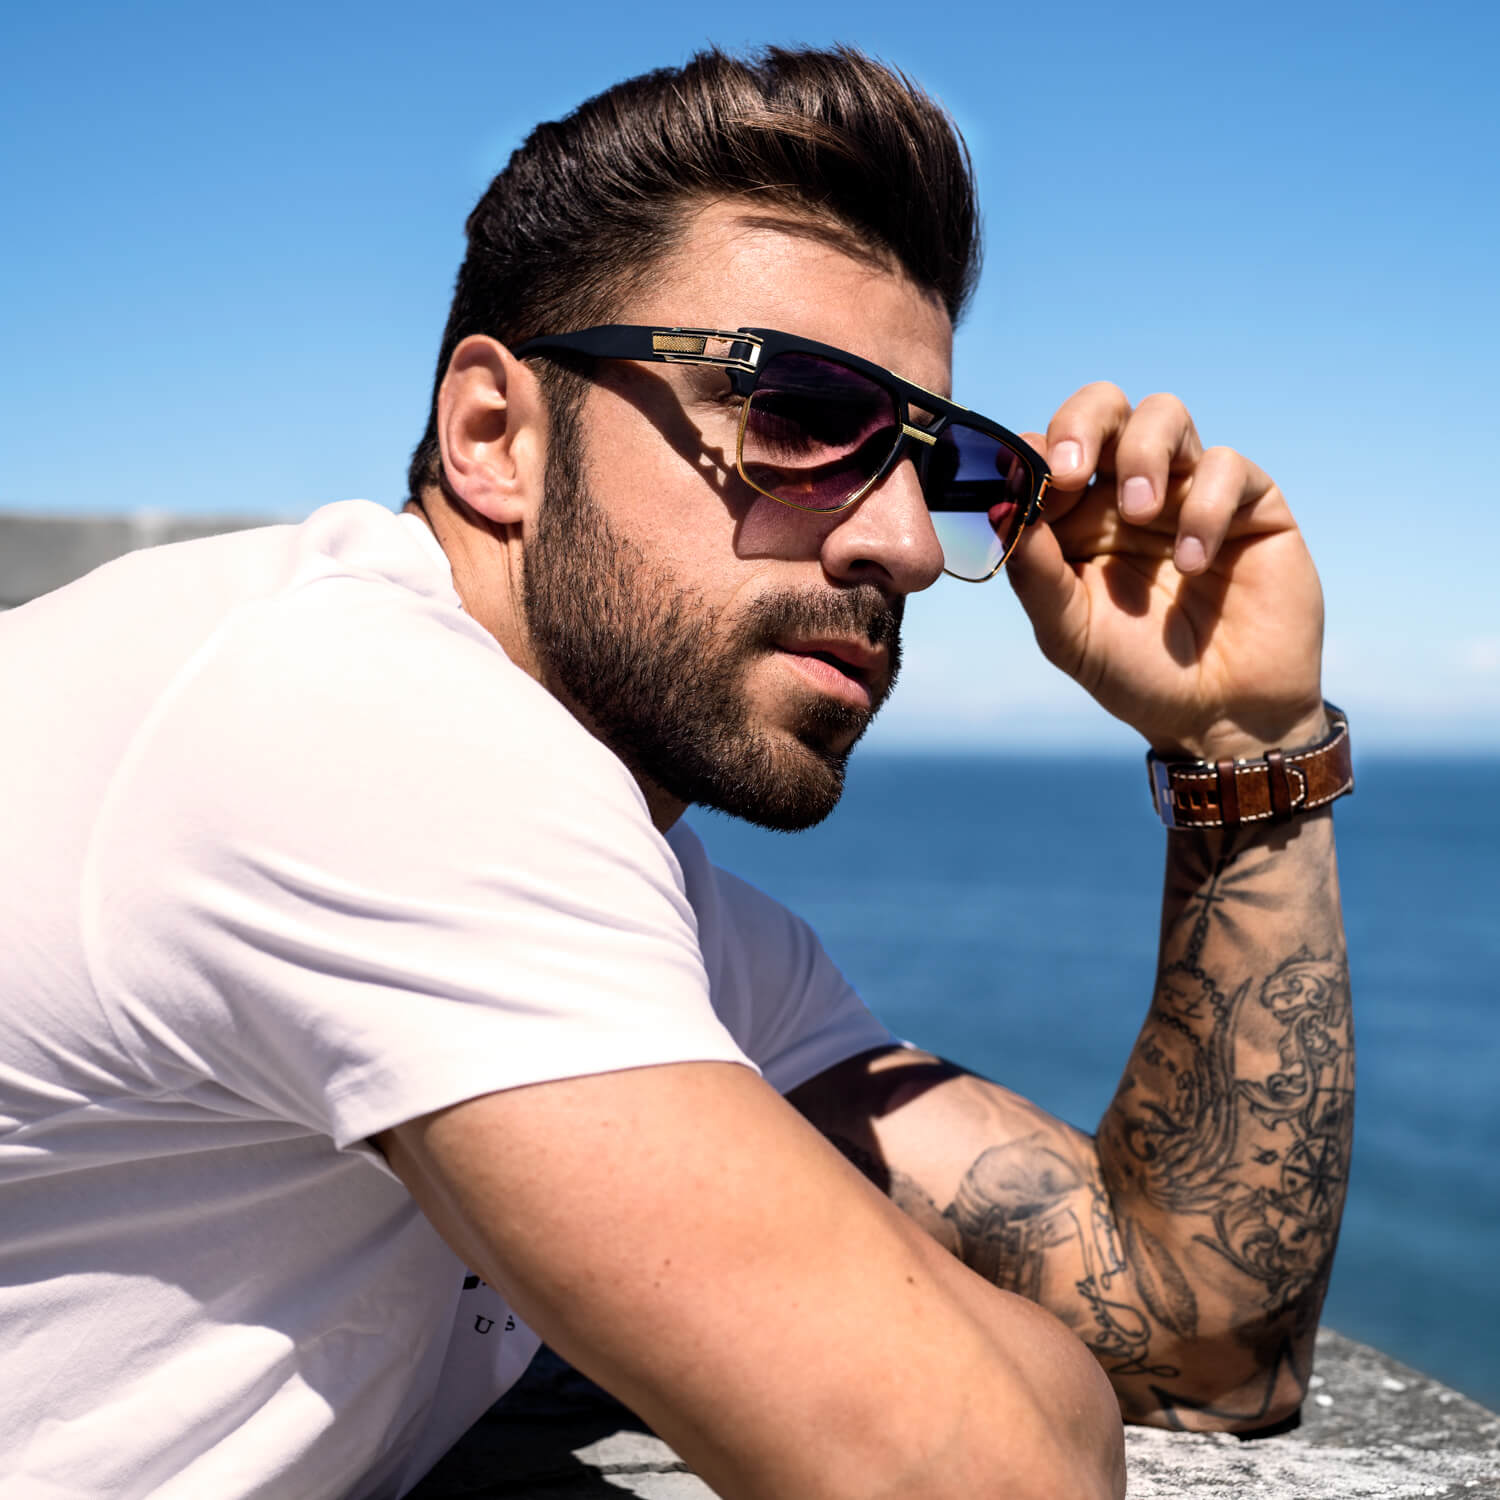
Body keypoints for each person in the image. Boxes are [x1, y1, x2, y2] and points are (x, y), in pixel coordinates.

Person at [0, 44, 1354, 1500]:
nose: (905, 545)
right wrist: (1000, 1366)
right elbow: (981, 1471)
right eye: (799, 416)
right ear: (494, 437)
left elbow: (1198, 1341)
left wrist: (1244, 744)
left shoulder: (681, 921)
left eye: (945, 468)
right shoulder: (354, 724)